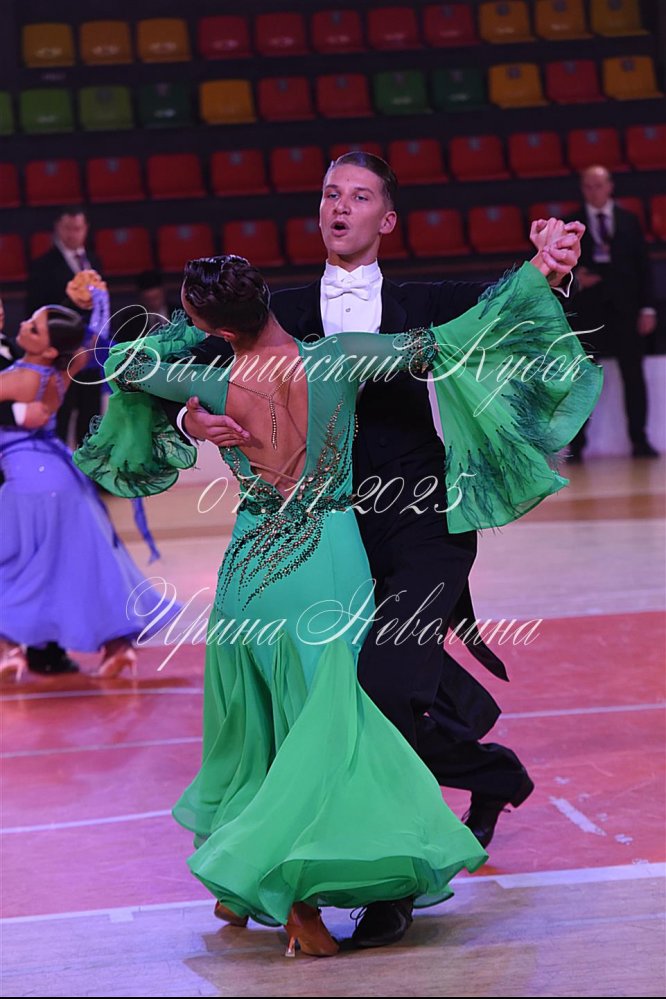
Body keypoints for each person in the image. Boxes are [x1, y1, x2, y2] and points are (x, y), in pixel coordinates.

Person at [74, 249, 601, 956]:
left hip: (250, 575)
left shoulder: (209, 377)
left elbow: (121, 362)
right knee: (323, 731)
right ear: (264, 298)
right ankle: (301, 897)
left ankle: (245, 881)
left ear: (216, 327)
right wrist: (538, 273)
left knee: (257, 729)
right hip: (327, 561)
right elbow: (459, 336)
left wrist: (192, 407)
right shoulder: (341, 357)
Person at [0, 298, 175, 681]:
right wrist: (96, 302)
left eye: (33, 327)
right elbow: (94, 341)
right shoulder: (65, 367)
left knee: (18, 565)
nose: (23, 324)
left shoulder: (21, 378)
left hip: (29, 479)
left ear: (48, 349)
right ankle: (118, 648)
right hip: (66, 477)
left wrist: (18, 413)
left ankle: (8, 648)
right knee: (83, 564)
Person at [567, 165, 658, 460]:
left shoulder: (628, 220)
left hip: (625, 310)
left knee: (634, 376)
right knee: (581, 378)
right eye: (588, 185)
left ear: (610, 186)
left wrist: (647, 308)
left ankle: (639, 440)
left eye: (599, 185)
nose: (594, 191)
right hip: (587, 311)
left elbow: (643, 267)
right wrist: (576, 279)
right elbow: (557, 269)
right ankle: (577, 445)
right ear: (582, 189)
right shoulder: (571, 223)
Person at [26, 207, 106, 448]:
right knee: (61, 414)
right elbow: (37, 311)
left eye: (78, 228)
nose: (73, 234)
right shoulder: (42, 266)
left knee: (91, 415)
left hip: (90, 351)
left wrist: (97, 335)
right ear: (58, 229)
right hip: (62, 354)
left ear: (86, 229)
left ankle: (90, 468)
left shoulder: (94, 260)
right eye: (68, 228)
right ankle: (59, 466)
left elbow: (101, 305)